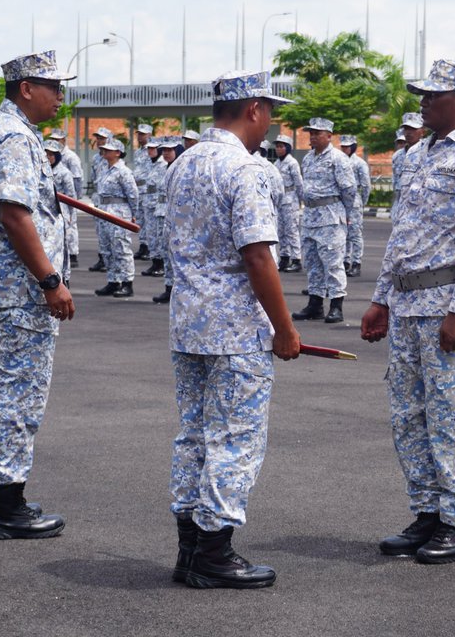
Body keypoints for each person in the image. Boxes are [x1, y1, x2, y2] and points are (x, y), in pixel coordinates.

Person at [360, 59, 455, 565]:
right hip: (404, 305)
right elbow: (402, 235)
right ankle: (427, 511)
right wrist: (381, 298)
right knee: (408, 414)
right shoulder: (415, 156)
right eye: (422, 93)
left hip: (445, 304)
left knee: (453, 415)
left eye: (433, 94)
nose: (423, 101)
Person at [165, 68, 301, 589]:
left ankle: (189, 550)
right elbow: (258, 257)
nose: (271, 119)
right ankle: (215, 553)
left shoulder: (184, 164)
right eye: (270, 109)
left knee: (194, 436)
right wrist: (285, 329)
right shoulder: (243, 169)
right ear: (253, 110)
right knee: (235, 439)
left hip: (189, 323)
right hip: (234, 330)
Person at [0, 49, 73, 540]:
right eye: (52, 87)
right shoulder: (13, 136)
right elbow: (14, 213)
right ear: (26, 88)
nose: (59, 96)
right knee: (16, 393)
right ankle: (8, 505)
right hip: (20, 289)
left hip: (2, 287)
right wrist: (50, 281)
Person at [294, 117, 358, 323]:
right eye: (310, 133)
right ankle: (315, 304)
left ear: (329, 136)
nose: (312, 136)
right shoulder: (308, 158)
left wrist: (346, 214)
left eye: (317, 133)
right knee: (312, 262)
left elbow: (349, 189)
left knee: (332, 262)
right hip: (311, 216)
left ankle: (336, 305)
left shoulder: (338, 159)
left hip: (330, 216)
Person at [92, 139, 139, 299]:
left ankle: (127, 283)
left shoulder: (123, 171)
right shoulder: (103, 168)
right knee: (107, 248)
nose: (104, 151)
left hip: (119, 212)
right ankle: (113, 281)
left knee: (121, 248)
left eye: (109, 149)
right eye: (104, 149)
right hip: (104, 211)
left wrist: (134, 214)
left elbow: (133, 194)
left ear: (118, 152)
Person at [153, 137, 185, 304]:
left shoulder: (182, 169)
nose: (165, 153)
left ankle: (179, 289)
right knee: (165, 252)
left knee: (178, 253)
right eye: (164, 150)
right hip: (162, 214)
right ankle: (168, 287)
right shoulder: (161, 168)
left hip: (177, 217)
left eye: (169, 150)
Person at [48, 128, 83, 268]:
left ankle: (72, 255)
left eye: (57, 140)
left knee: (69, 230)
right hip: (50, 204)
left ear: (63, 140)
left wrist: (76, 200)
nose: (55, 142)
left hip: (64, 203)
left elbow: (77, 179)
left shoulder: (71, 158)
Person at [44, 139, 77, 285]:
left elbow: (71, 196)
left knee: (62, 246)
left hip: (61, 211)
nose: (48, 157)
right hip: (45, 212)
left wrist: (70, 216)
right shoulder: (41, 171)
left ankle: (65, 276)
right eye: (46, 154)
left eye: (52, 154)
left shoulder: (64, 172)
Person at [340, 134, 371, 277]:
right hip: (341, 200)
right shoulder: (339, 161)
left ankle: (356, 262)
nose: (345, 149)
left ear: (353, 147)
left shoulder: (359, 163)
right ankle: (345, 261)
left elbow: (366, 185)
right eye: (343, 146)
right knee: (343, 233)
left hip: (354, 201)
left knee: (355, 234)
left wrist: (362, 202)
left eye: (348, 146)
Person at [273, 134, 303, 272]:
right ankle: (284, 257)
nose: (278, 149)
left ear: (288, 148)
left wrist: (301, 200)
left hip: (291, 199)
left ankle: (296, 259)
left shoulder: (292, 163)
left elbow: (299, 183)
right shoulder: (276, 163)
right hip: (280, 200)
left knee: (292, 230)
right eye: (277, 147)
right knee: (281, 231)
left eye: (281, 147)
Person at [141, 136, 170, 279]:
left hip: (160, 204)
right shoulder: (149, 164)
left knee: (160, 237)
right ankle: (155, 262)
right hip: (149, 203)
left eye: (153, 148)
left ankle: (161, 265)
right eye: (149, 148)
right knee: (151, 235)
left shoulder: (164, 164)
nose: (150, 151)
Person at [87, 126, 114, 273]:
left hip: (111, 200)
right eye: (98, 138)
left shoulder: (112, 157)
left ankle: (112, 261)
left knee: (112, 233)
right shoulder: (96, 158)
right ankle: (103, 257)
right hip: (99, 198)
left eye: (102, 138)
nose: (99, 141)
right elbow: (93, 177)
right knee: (100, 231)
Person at [391, 113, 425, 219]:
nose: (408, 133)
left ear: (422, 131)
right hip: (400, 204)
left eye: (413, 129)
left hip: (420, 207)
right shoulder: (397, 155)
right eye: (406, 129)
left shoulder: (429, 152)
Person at [133, 122, 155, 260]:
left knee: (148, 220)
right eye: (139, 134)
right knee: (140, 218)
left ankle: (149, 246)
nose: (140, 137)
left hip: (147, 190)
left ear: (149, 135)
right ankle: (143, 245)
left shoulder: (152, 150)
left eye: (143, 134)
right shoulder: (138, 152)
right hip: (138, 189)